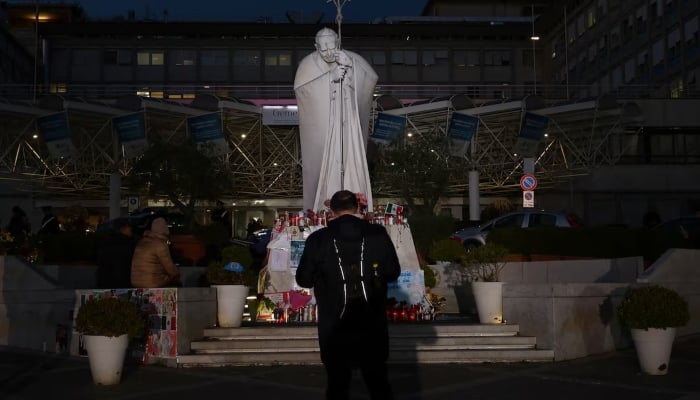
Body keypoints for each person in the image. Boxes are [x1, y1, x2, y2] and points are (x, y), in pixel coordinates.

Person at [295, 190, 401, 400]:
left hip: (334, 324)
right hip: (371, 321)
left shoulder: (318, 238)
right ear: (358, 207)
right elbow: (392, 272)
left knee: (337, 384)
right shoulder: (377, 234)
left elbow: (304, 279)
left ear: (331, 210)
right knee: (378, 383)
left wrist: (323, 275)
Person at [294, 28, 378, 213]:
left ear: (338, 41)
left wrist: (350, 68)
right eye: (323, 49)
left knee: (350, 158)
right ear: (316, 47)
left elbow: (370, 79)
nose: (328, 52)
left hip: (348, 126)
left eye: (331, 47)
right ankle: (321, 209)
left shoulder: (352, 59)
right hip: (324, 127)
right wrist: (330, 79)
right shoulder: (307, 64)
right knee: (323, 165)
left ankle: (355, 203)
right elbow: (302, 90)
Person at [131, 217, 181, 288]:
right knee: (174, 280)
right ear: (164, 230)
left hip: (136, 283)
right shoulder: (160, 244)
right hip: (152, 283)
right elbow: (170, 269)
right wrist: (177, 273)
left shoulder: (141, 242)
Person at [95, 218, 135, 289]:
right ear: (123, 228)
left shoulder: (106, 242)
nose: (131, 229)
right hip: (123, 284)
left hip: (105, 284)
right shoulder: (128, 244)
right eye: (129, 226)